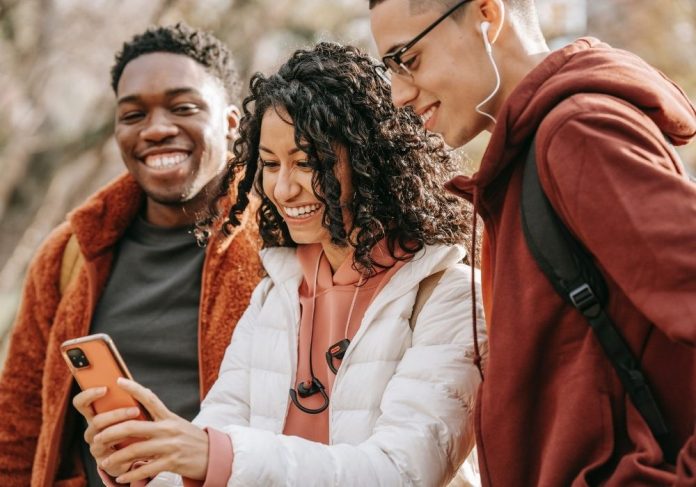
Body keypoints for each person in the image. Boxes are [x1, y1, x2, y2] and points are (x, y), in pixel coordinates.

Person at [73, 42, 487, 486]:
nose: (283, 188)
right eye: (269, 164)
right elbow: (215, 445)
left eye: (307, 162)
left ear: (373, 161)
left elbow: (400, 473)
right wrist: (147, 463)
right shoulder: (276, 295)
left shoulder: (450, 296)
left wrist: (212, 454)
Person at [369, 0, 696, 485]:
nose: (397, 94)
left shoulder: (577, 134)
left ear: (487, 15)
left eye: (408, 59)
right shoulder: (521, 162)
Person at [0, 23, 262, 487]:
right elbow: (17, 428)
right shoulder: (70, 253)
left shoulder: (281, 243)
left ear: (231, 122)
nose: (157, 129)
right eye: (133, 114)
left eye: (183, 107)